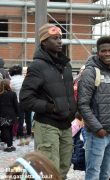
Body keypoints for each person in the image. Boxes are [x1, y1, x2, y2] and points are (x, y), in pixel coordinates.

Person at [19, 23, 77, 179]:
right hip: (47, 125)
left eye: (60, 38)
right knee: (49, 171)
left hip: (66, 124)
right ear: (44, 42)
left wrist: (73, 109)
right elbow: (25, 99)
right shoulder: (38, 66)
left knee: (64, 168)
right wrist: (51, 108)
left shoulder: (66, 65)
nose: (60, 41)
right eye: (55, 38)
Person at [77, 36, 110, 180]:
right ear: (98, 52)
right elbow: (82, 104)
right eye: (104, 51)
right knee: (93, 173)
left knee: (106, 174)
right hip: (97, 134)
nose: (108, 54)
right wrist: (98, 128)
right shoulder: (90, 72)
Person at [9, 64, 32, 145]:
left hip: (18, 102)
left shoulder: (11, 81)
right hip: (27, 101)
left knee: (20, 120)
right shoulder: (24, 79)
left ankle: (21, 136)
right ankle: (29, 134)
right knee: (28, 119)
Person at [0, 79, 19, 152]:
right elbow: (16, 105)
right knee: (10, 130)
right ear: (8, 85)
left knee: (5, 130)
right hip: (12, 115)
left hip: (2, 116)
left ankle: (8, 146)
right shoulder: (13, 94)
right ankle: (11, 145)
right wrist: (17, 114)